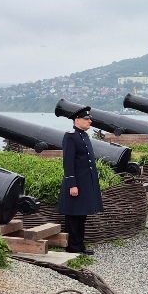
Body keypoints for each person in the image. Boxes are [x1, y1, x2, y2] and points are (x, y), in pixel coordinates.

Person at [57, 106, 105, 254]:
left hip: (85, 183)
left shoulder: (83, 136)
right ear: (77, 120)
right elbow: (68, 163)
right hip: (76, 183)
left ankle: (80, 245)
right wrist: (72, 184)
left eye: (90, 119)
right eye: (86, 119)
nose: (90, 121)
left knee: (82, 215)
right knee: (73, 216)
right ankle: (73, 247)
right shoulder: (70, 136)